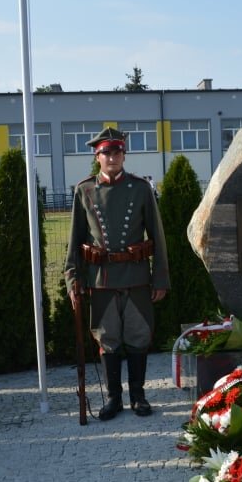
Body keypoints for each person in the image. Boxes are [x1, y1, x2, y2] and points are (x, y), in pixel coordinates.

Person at [65, 127, 170, 420]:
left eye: (117, 152)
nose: (112, 157)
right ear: (97, 157)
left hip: (136, 275)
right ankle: (113, 398)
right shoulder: (84, 190)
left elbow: (157, 236)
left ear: (124, 154)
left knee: (138, 336)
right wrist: (73, 277)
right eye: (106, 153)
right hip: (101, 278)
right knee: (107, 338)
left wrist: (160, 277)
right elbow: (75, 240)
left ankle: (138, 396)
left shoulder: (140, 188)